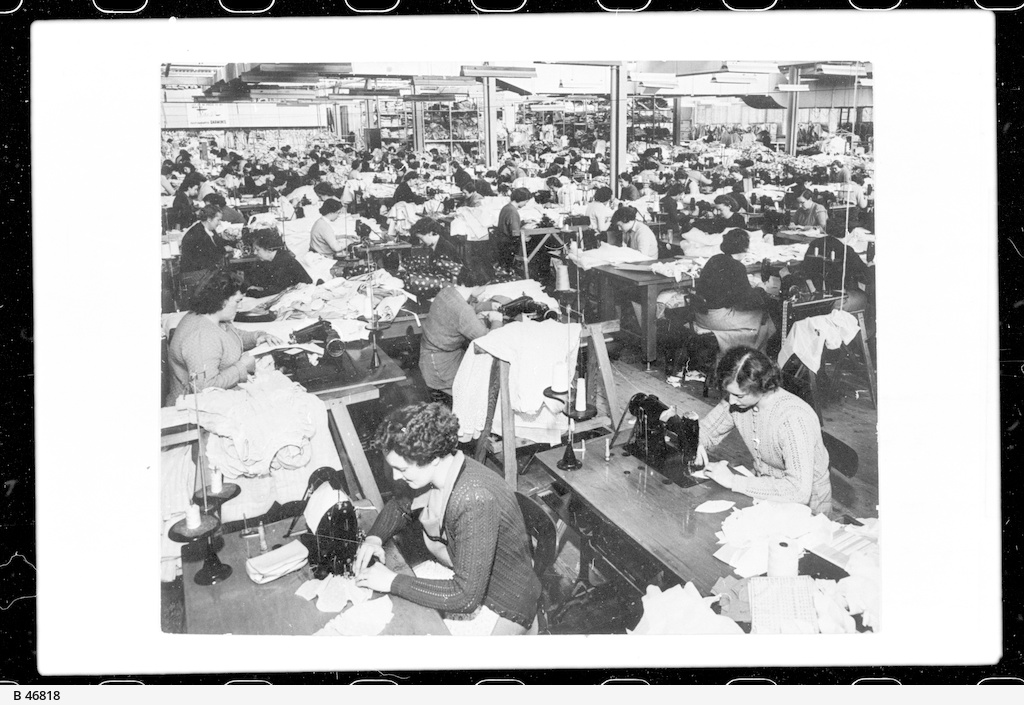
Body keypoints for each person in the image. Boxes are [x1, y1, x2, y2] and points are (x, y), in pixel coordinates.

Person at [353, 403, 542, 635]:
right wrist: (373, 538)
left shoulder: (472, 497)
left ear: (431, 458)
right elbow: (400, 505)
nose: (395, 476)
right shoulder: (444, 469)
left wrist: (392, 582)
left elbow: (465, 597)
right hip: (470, 581)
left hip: (503, 603)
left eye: (402, 469)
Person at [696, 346, 833, 516]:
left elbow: (798, 491)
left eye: (738, 396)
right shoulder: (741, 399)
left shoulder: (793, 419)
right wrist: (697, 441)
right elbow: (707, 430)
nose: (730, 401)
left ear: (762, 385)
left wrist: (733, 481)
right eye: (729, 394)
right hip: (764, 494)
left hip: (807, 510)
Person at [166, 272, 283, 405]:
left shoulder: (213, 318)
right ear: (221, 300)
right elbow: (203, 387)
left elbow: (230, 336)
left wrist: (257, 336)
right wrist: (242, 367)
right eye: (237, 301)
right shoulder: (202, 336)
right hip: (193, 409)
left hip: (222, 398)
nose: (239, 307)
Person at [417, 264, 505, 407]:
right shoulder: (463, 311)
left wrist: (487, 306)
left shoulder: (448, 291)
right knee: (481, 389)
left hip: (432, 357)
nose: (485, 290)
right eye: (485, 286)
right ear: (477, 286)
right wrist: (497, 320)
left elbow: (462, 309)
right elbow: (489, 341)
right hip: (440, 369)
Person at [693, 229, 777, 354]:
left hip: (701, 315)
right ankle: (754, 353)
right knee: (764, 316)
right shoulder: (737, 267)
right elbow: (747, 302)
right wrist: (760, 288)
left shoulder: (714, 259)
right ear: (745, 248)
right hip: (716, 318)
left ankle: (749, 352)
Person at [797, 218, 872, 312]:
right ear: (847, 232)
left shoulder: (815, 243)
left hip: (815, 297)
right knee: (868, 299)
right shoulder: (846, 251)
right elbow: (868, 278)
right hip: (837, 301)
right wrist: (871, 266)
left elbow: (805, 269)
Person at [245, 230, 312, 297]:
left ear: (269, 249)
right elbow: (275, 286)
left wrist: (254, 293)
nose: (255, 253)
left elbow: (277, 290)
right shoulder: (275, 258)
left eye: (257, 249)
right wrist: (260, 288)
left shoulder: (283, 261)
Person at [179, 204, 234, 283]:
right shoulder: (197, 233)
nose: (219, 223)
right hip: (193, 273)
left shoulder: (209, 229)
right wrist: (224, 249)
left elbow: (218, 244)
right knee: (228, 279)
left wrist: (232, 242)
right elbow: (209, 253)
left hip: (203, 269)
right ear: (209, 219)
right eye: (218, 220)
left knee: (231, 276)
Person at [491, 187, 533, 272]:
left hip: (502, 242)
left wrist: (522, 222)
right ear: (521, 199)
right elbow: (515, 233)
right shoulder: (513, 211)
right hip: (509, 245)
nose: (525, 204)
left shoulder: (506, 207)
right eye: (526, 202)